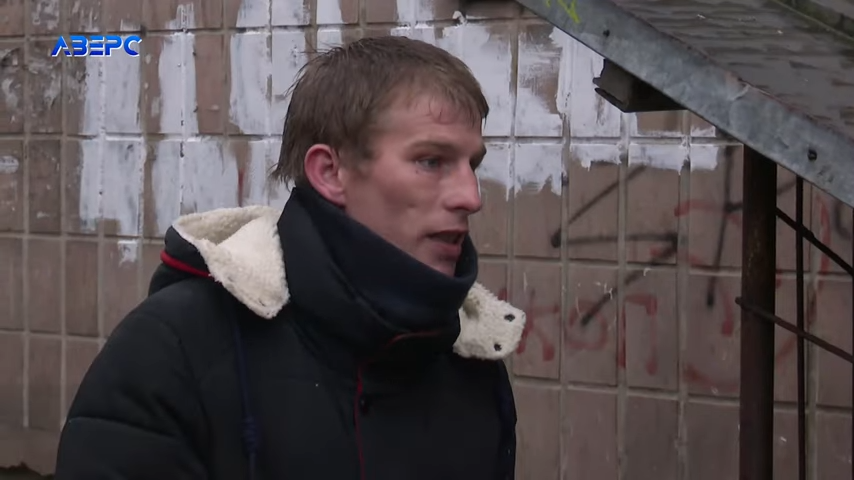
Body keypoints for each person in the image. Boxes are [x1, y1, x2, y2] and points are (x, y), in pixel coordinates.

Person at [54, 35, 526, 480]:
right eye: (431, 161)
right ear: (330, 172)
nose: (471, 196)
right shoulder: (174, 350)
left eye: (472, 165)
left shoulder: (473, 361)